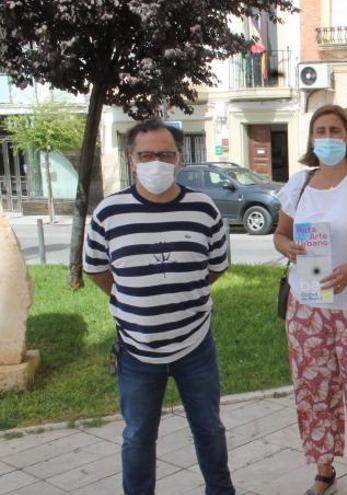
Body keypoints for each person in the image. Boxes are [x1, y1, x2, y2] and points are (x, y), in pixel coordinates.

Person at [83, 119, 234, 495]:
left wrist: (178, 294)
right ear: (132, 160)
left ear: (178, 159)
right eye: (146, 154)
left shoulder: (204, 209)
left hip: (195, 345)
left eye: (165, 154)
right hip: (136, 349)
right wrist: (134, 299)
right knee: (137, 438)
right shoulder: (108, 213)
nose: (156, 162)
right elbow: (97, 270)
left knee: (209, 429)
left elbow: (215, 267)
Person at [273, 104, 347, 495]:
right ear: (311, 139)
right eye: (319, 131)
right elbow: (280, 234)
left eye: (334, 130)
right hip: (308, 308)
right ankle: (324, 470)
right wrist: (288, 247)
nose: (327, 137)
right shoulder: (299, 184)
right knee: (315, 389)